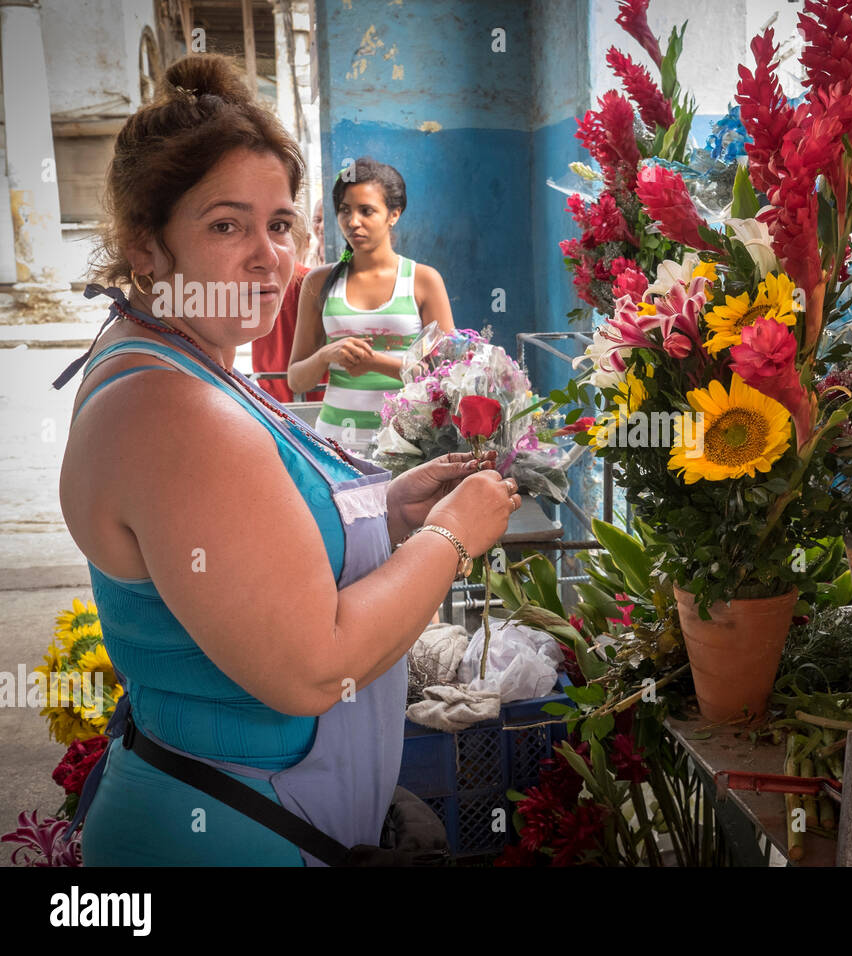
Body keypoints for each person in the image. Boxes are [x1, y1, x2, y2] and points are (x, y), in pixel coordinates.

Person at [54, 52, 520, 866]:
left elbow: (269, 529)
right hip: (226, 834)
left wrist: (391, 507)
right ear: (145, 250)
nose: (270, 254)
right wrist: (450, 538)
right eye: (226, 224)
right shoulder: (172, 410)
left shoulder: (189, 362)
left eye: (279, 223)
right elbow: (312, 670)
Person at [288, 158, 454, 458]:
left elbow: (449, 378)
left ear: (394, 214)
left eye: (366, 211)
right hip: (334, 448)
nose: (353, 222)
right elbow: (297, 379)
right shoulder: (318, 282)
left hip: (407, 447)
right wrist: (326, 354)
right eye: (344, 210)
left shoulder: (423, 280)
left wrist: (375, 363)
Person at [250, 213, 323, 403]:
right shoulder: (317, 283)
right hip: (316, 394)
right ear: (308, 241)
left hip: (272, 393)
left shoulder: (257, 284)